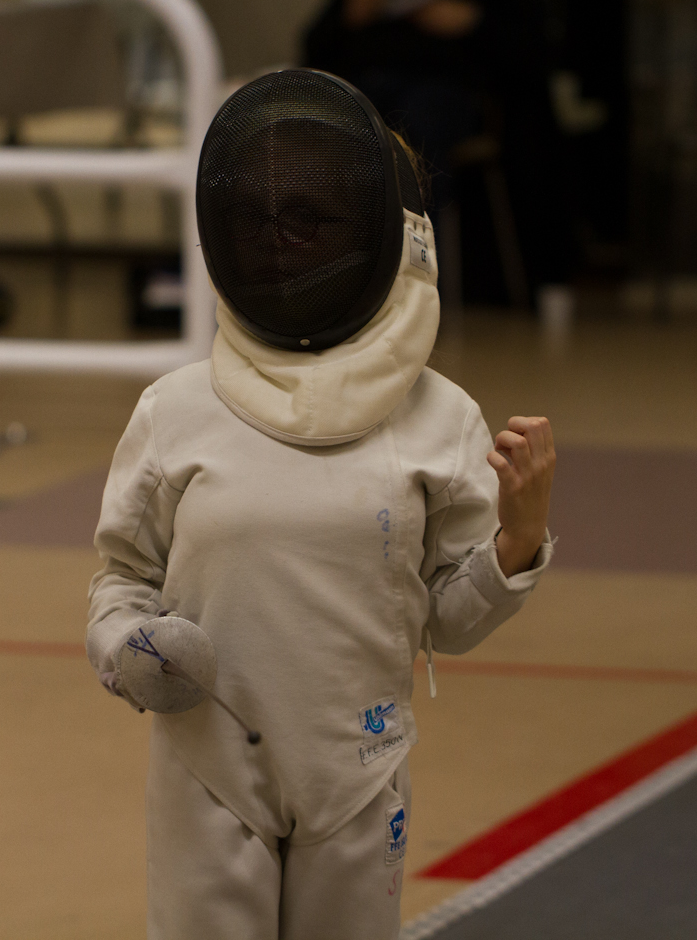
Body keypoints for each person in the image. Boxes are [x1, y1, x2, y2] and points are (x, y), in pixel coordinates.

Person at [86, 69, 556, 940]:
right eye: (262, 217)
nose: (280, 241)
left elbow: (447, 622)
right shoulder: (176, 410)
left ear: (386, 237)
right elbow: (120, 581)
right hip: (207, 774)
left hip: (359, 774)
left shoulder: (440, 419)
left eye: (311, 217)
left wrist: (517, 541)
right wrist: (127, 648)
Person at [302, 0, 571, 296]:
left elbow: (537, 55)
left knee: (416, 124)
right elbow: (314, 46)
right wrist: (349, 16)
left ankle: (415, 285)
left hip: (453, 99)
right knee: (336, 125)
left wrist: (473, 23)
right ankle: (330, 279)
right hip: (370, 90)